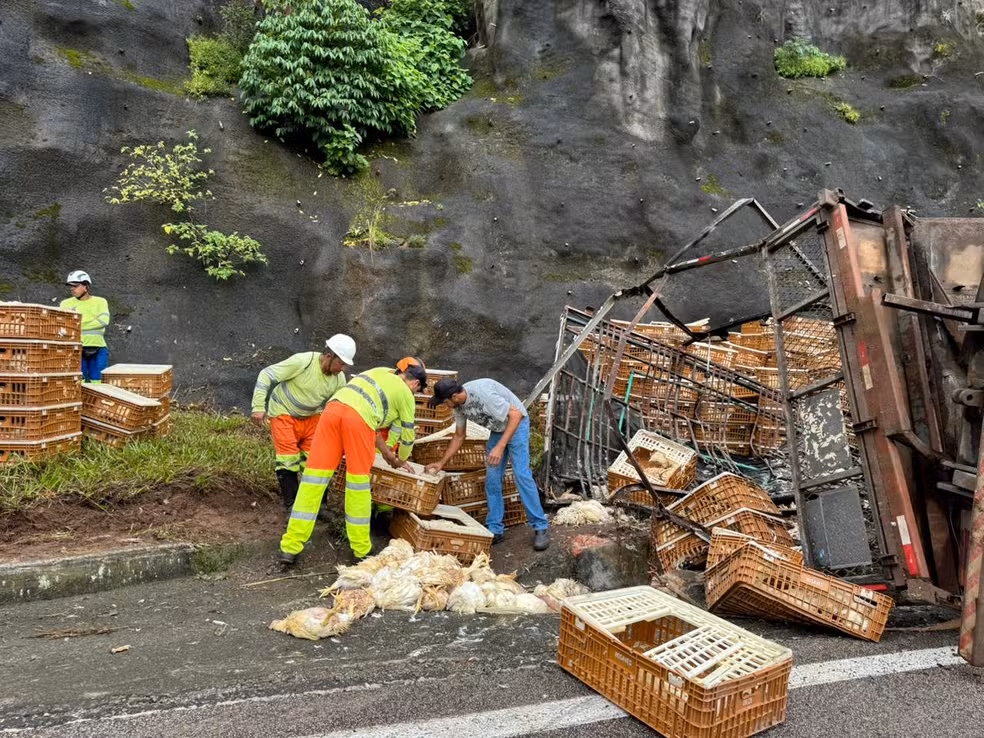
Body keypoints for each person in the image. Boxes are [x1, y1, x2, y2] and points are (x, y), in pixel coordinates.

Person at [279, 360, 428, 566]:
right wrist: (400, 459)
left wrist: (386, 454)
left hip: (332, 411)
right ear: (416, 384)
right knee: (358, 485)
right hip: (358, 422)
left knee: (312, 481)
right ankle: (361, 549)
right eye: (417, 391)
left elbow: (372, 422)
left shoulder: (378, 370)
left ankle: (290, 547)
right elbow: (408, 436)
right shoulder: (406, 394)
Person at [425, 378, 549, 551]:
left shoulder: (483, 395)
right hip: (498, 430)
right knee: (492, 479)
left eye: (444, 402)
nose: (444, 405)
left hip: (517, 425)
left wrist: (500, 446)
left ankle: (540, 526)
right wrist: (441, 463)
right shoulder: (459, 406)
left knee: (521, 474)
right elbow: (459, 436)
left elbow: (516, 414)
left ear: (454, 396)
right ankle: (495, 529)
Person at [251, 334, 357, 510]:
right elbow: (266, 374)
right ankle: (292, 506)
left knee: (318, 461)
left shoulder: (339, 379)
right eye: (342, 363)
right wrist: (258, 407)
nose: (343, 368)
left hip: (311, 417)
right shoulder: (303, 362)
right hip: (283, 412)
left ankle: (319, 506)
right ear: (329, 356)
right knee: (288, 460)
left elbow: (340, 406)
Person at [60, 271, 110, 383]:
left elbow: (103, 321)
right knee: (77, 383)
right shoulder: (65, 304)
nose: (72, 289)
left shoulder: (100, 302)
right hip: (75, 348)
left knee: (99, 383)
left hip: (98, 348)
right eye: (71, 286)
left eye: (76, 286)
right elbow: (64, 325)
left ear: (86, 286)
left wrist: (75, 323)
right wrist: (91, 322)